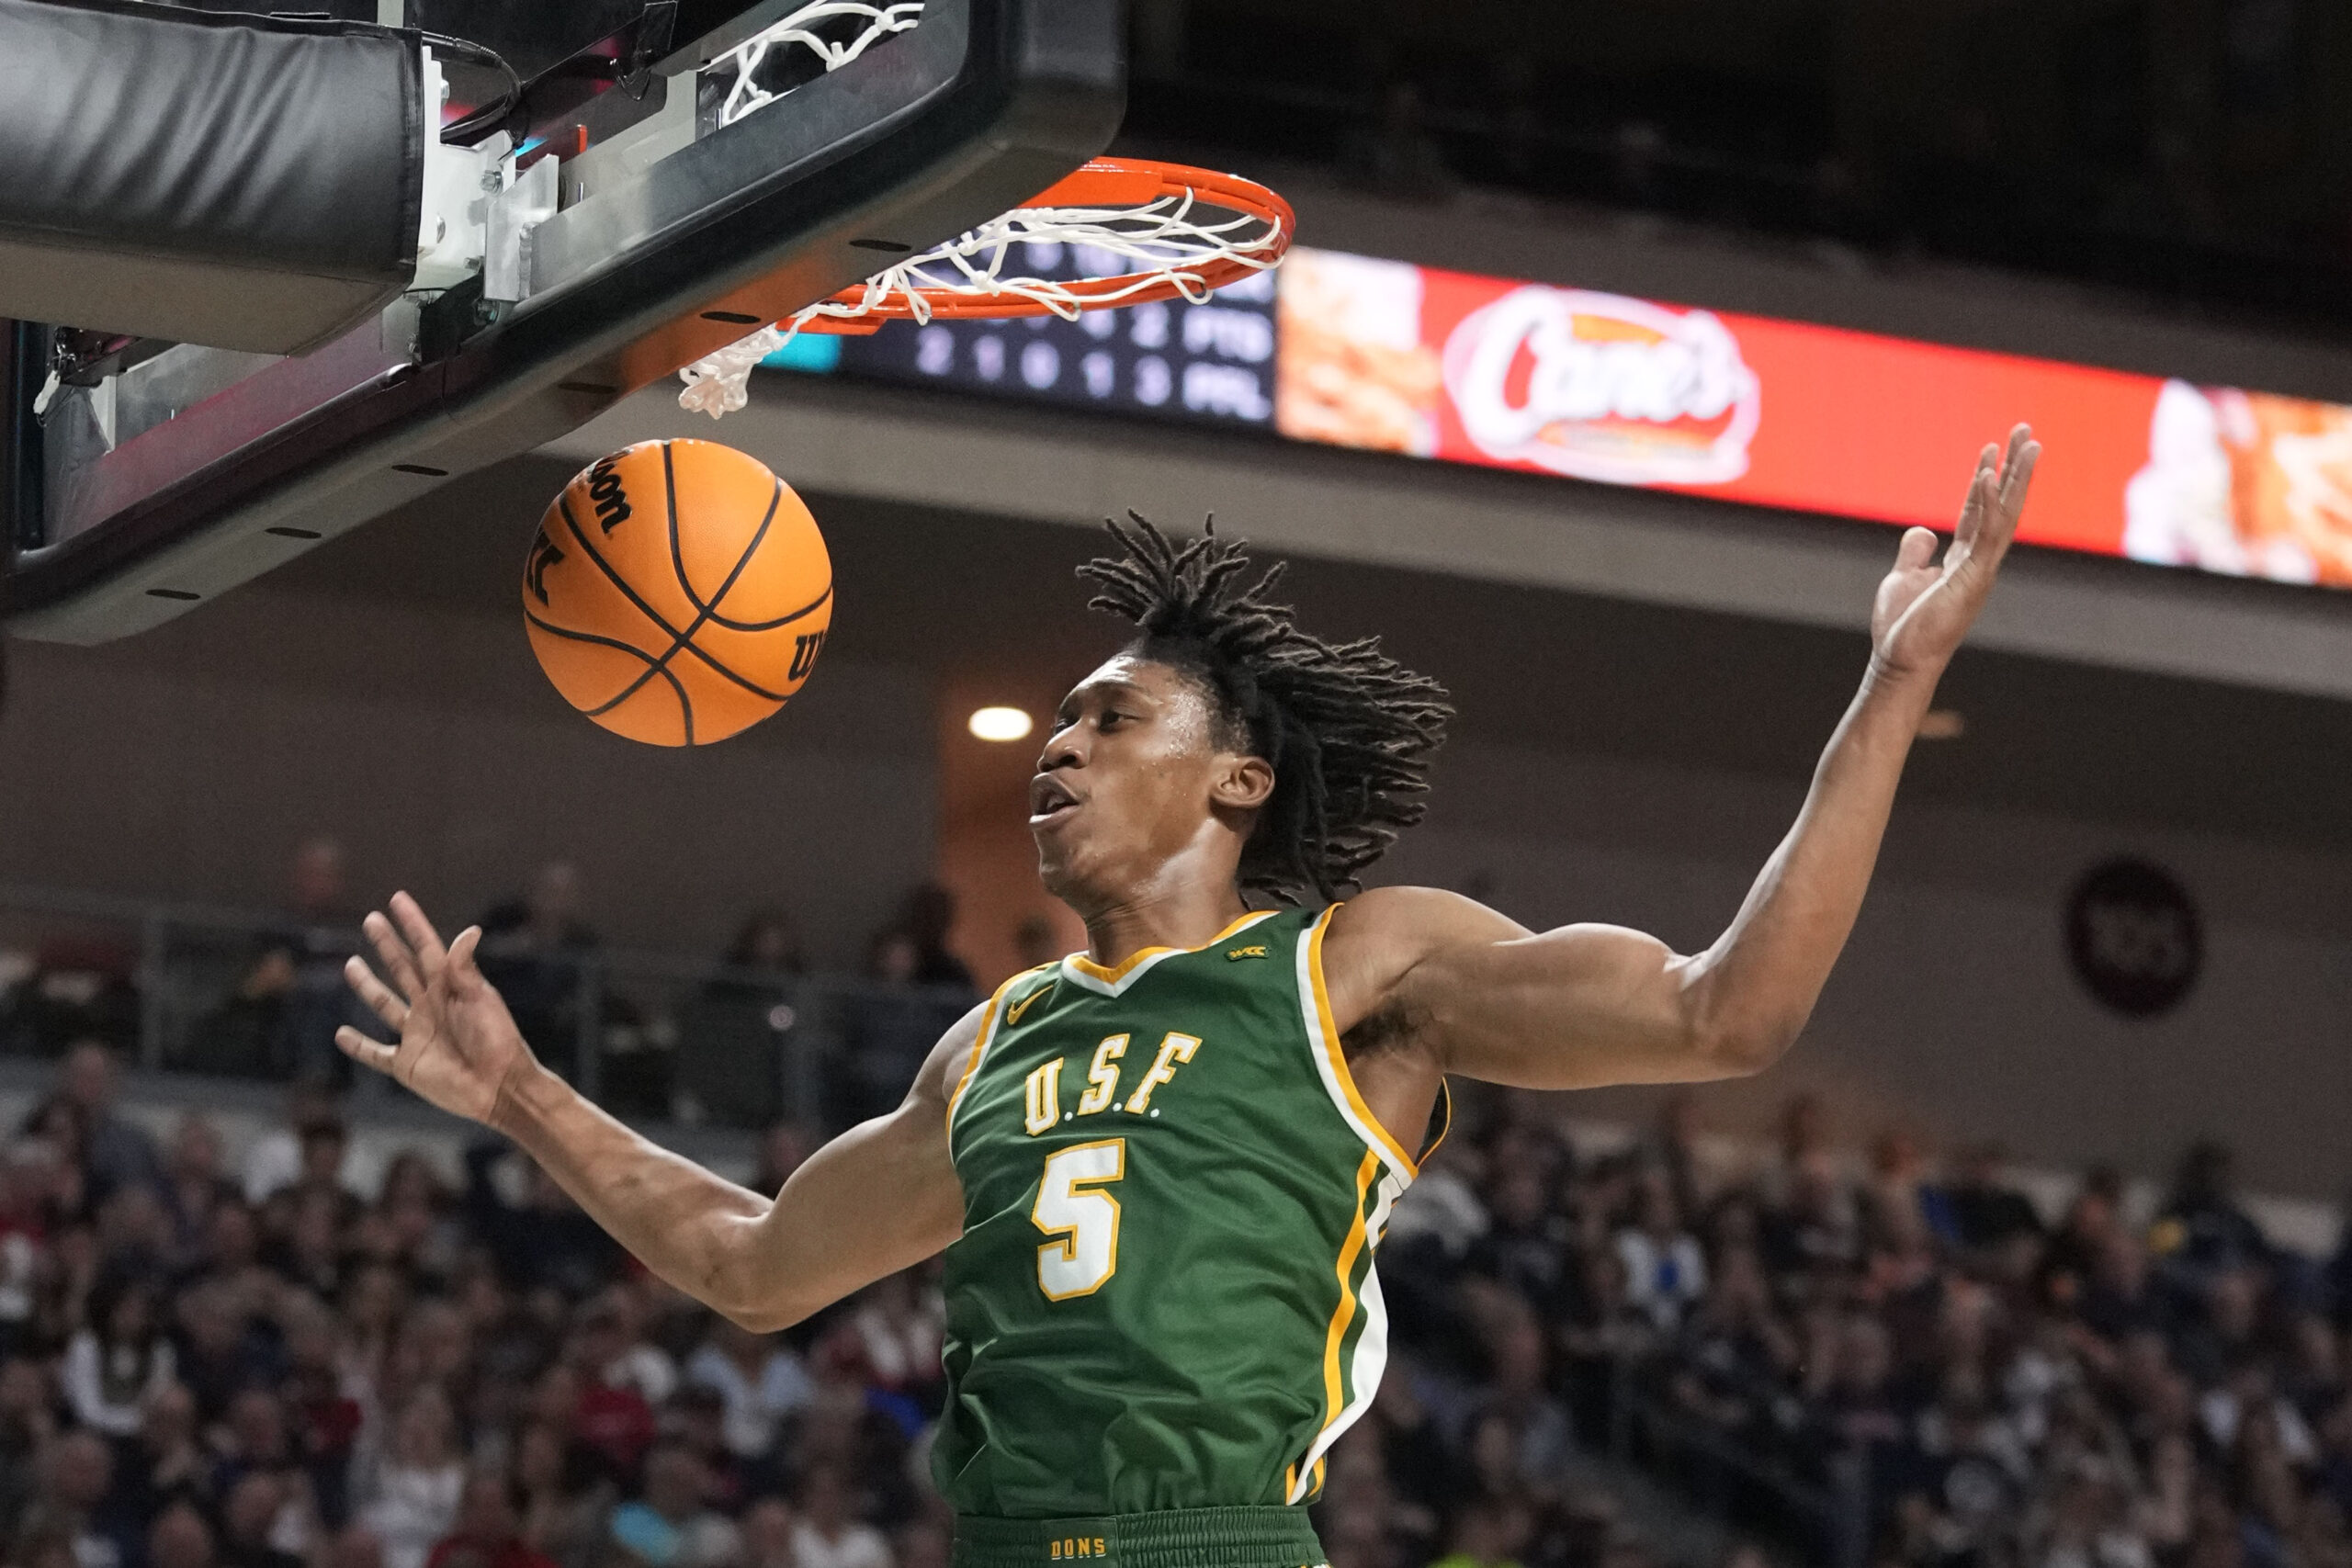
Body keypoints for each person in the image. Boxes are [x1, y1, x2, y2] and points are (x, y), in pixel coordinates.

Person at [334, 431, 2041, 1568]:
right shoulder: (990, 1040)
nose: (1059, 748)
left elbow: (1720, 1017)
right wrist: (517, 1098)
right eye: (1057, 724)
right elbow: (762, 1266)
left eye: (1107, 717)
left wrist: (1894, 682)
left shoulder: (1360, 968)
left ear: (1235, 784)